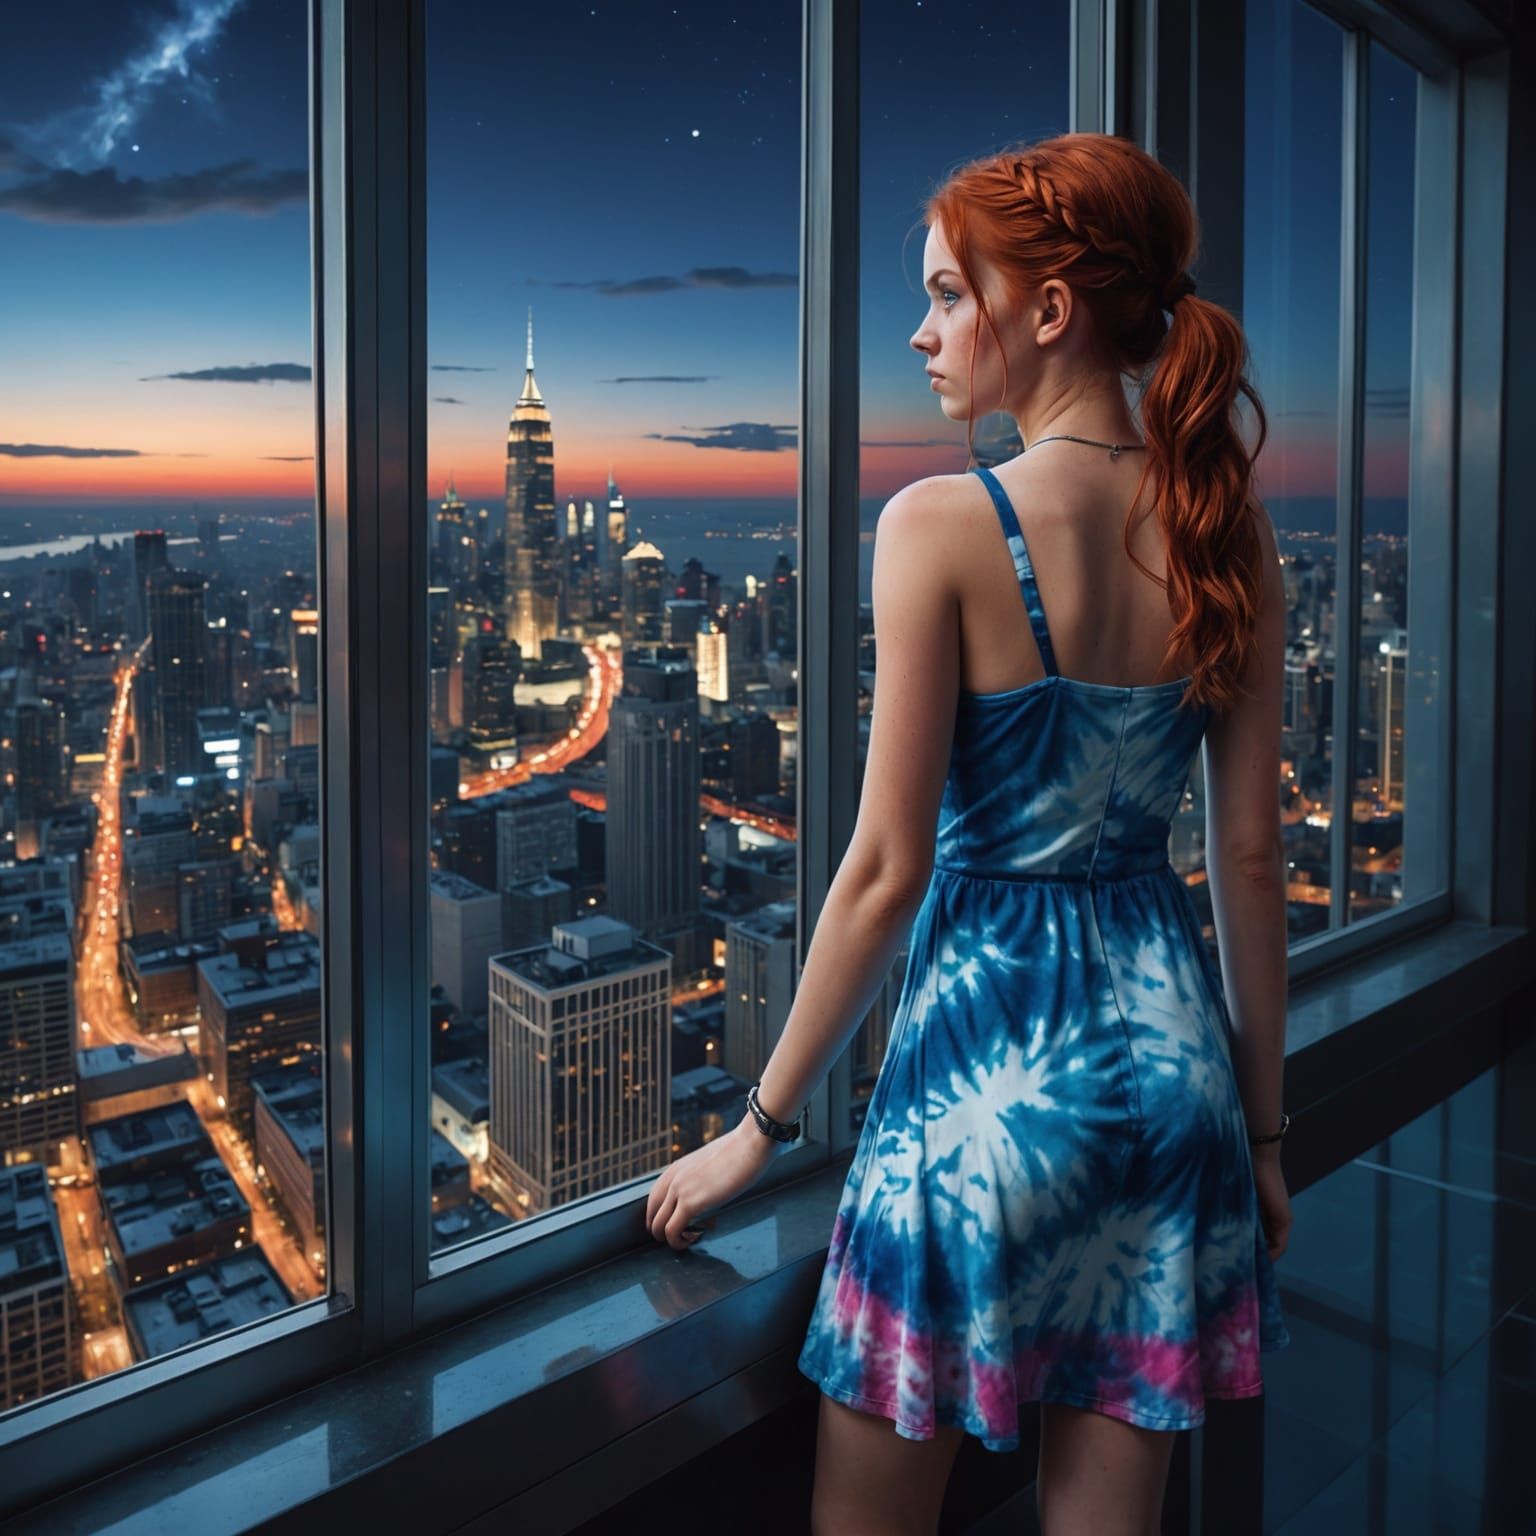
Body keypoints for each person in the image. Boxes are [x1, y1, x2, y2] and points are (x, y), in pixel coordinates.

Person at [644, 130, 1293, 1536]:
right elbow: (1246, 863)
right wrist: (1266, 1137)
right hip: (1171, 1100)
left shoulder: (944, 522)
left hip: (979, 1099)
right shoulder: (1226, 532)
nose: (925, 333)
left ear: (1046, 309)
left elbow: (886, 871)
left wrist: (758, 1128)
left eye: (949, 294)